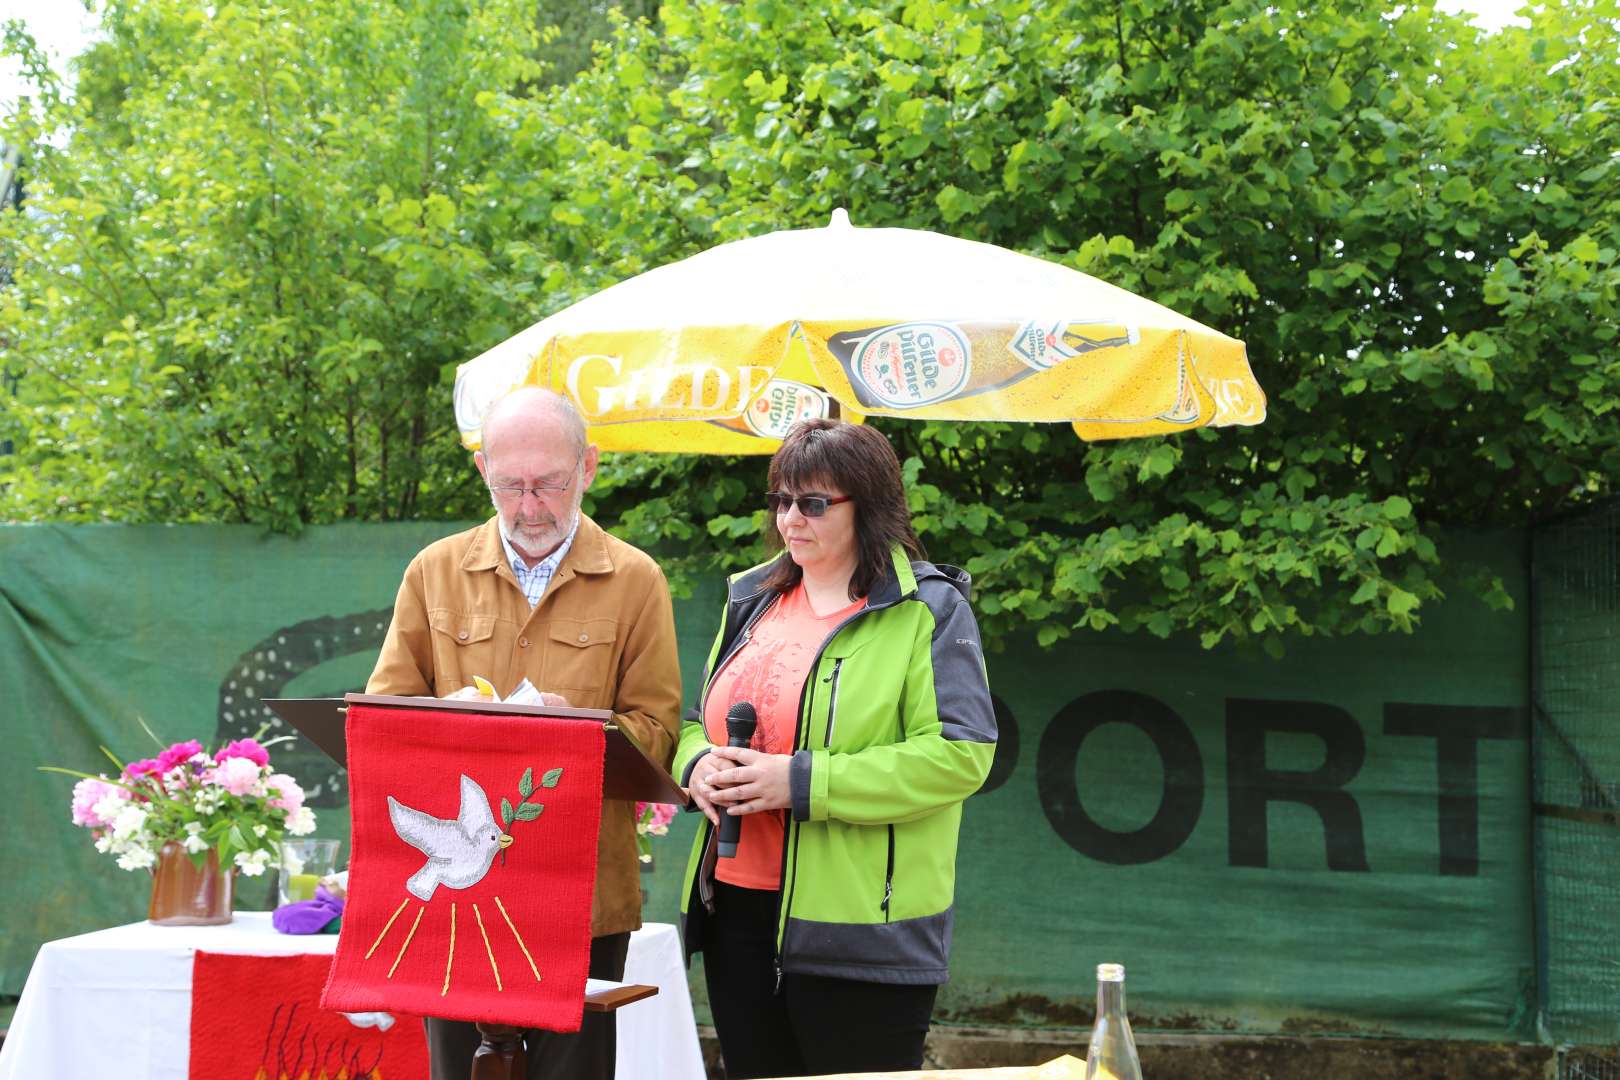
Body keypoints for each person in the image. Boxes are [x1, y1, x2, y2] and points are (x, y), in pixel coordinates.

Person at [367, 386, 682, 1080]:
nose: (530, 506)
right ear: (484, 470)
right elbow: (385, 719)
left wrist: (572, 729)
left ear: (589, 467)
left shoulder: (635, 580)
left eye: (550, 484)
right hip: (458, 891)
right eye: (511, 486)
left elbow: (657, 734)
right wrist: (444, 718)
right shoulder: (434, 571)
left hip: (585, 895)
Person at [673, 418, 997, 1078]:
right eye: (781, 500)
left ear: (869, 506)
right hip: (735, 911)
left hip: (860, 932)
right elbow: (691, 723)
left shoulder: (927, 610)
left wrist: (798, 783)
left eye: (814, 503)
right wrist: (697, 765)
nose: (791, 518)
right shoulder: (752, 598)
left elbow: (962, 753)